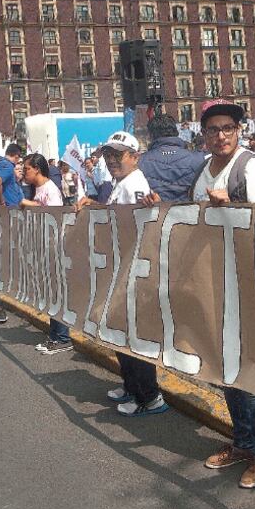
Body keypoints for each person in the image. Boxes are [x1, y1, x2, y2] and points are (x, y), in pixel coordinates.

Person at [178, 99, 255, 489]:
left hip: (250, 283)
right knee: (226, 368)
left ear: (239, 131)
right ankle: (243, 442)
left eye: (228, 128)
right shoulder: (205, 169)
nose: (220, 136)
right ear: (202, 134)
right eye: (212, 130)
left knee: (250, 371)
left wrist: (234, 206)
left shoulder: (251, 168)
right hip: (216, 282)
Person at [77, 131, 169, 418]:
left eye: (119, 155)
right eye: (109, 155)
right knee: (118, 334)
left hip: (131, 273)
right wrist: (95, 205)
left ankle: (149, 396)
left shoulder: (135, 185)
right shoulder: (122, 183)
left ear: (134, 157)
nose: (113, 160)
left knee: (132, 338)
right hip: (118, 270)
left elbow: (141, 224)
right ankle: (131, 385)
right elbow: (117, 216)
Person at [20, 154, 70, 353]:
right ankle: (55, 335)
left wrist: (31, 205)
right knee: (49, 293)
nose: (24, 173)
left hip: (54, 248)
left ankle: (63, 337)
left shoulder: (50, 189)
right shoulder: (36, 189)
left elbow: (55, 215)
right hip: (42, 247)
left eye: (27, 169)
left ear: (37, 169)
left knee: (56, 292)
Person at [139, 113, 206, 201]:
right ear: (176, 132)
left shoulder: (140, 161)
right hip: (189, 212)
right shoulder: (198, 159)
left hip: (156, 213)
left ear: (150, 135)